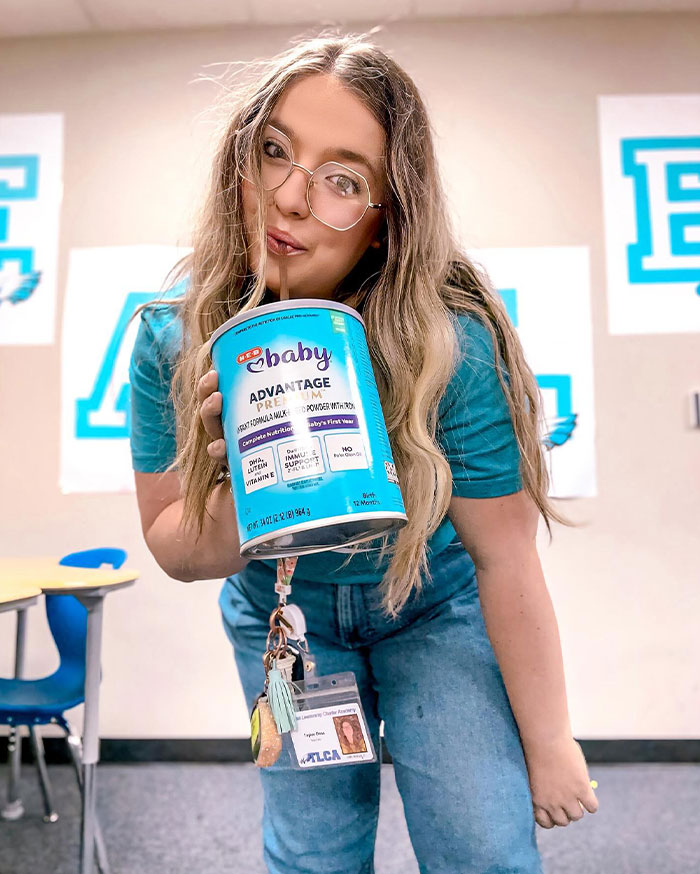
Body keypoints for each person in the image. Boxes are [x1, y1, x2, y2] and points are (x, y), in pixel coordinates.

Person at [128, 31, 599, 874]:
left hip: (433, 604)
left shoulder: (449, 344)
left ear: (387, 221)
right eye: (274, 151)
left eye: (344, 179)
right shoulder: (174, 336)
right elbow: (172, 545)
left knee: (483, 850)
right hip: (288, 621)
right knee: (313, 856)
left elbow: (506, 556)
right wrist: (249, 481)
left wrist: (551, 738)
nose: (293, 197)